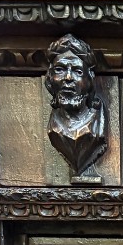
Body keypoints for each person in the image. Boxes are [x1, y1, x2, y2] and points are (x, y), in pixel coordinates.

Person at [45, 34, 108, 178]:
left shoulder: (97, 123)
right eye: (60, 70)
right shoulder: (54, 128)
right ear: (50, 78)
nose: (68, 78)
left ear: (90, 80)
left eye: (78, 71)